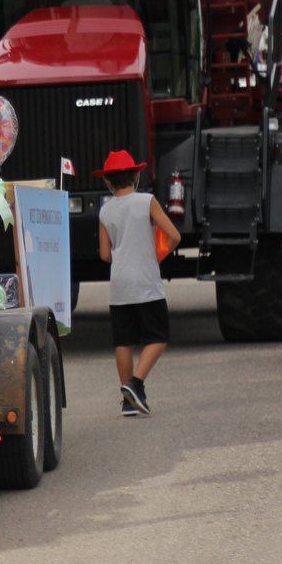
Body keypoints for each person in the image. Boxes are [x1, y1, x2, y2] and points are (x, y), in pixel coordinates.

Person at [97, 150, 181, 416]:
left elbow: (104, 254)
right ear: (135, 175)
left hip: (119, 284)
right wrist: (159, 254)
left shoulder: (105, 210)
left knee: (124, 342)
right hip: (145, 280)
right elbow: (174, 235)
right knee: (159, 336)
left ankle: (127, 402)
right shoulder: (147, 201)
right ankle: (135, 383)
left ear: (108, 182)